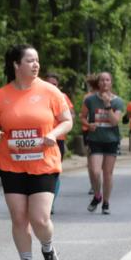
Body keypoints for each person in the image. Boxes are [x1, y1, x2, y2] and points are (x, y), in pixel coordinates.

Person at [0, 48, 71, 260]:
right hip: (11, 163)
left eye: (37, 60)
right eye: (30, 60)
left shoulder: (50, 91)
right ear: (16, 65)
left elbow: (67, 121)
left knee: (40, 218)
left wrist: (54, 134)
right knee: (18, 217)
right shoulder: (1, 95)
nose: (35, 65)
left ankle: (48, 249)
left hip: (43, 162)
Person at [80, 72, 125, 215]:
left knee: (108, 174)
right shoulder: (90, 100)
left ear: (111, 83)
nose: (105, 83)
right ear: (98, 83)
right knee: (94, 171)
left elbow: (114, 121)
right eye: (102, 80)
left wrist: (107, 105)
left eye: (107, 80)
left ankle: (105, 203)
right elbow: (82, 117)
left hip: (111, 140)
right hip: (95, 139)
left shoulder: (118, 101)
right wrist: (88, 124)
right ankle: (97, 196)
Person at [43, 72, 73, 214]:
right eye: (48, 83)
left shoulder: (63, 97)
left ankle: (51, 202)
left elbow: (71, 116)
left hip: (57, 140)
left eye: (54, 84)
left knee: (53, 173)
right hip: (39, 140)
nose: (51, 86)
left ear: (58, 86)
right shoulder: (38, 96)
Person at [82, 74, 100, 195]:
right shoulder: (105, 96)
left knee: (91, 160)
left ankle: (94, 185)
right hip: (97, 129)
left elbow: (82, 115)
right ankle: (95, 184)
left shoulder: (87, 96)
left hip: (88, 130)